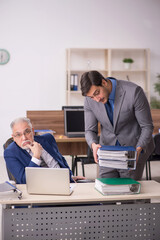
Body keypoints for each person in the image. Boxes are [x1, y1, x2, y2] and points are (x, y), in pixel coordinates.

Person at [80, 71, 155, 180]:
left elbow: (147, 127)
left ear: (104, 82)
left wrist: (138, 150)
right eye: (92, 97)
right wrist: (93, 144)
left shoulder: (134, 92)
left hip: (132, 150)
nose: (97, 99)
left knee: (130, 191)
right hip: (107, 152)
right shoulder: (89, 100)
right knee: (105, 189)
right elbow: (89, 130)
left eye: (97, 93)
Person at [4, 117, 85, 184]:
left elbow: (61, 160)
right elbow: (24, 181)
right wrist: (36, 156)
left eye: (27, 132)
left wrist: (69, 177)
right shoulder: (10, 153)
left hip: (64, 184)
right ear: (13, 137)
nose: (24, 138)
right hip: (39, 193)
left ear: (32, 131)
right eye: (18, 135)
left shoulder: (48, 139)